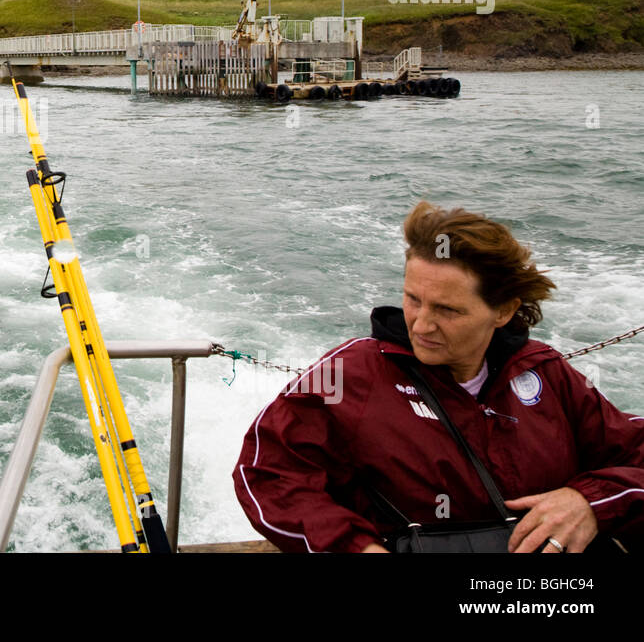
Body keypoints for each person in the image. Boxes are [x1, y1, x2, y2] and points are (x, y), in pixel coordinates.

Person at [233, 201, 644, 553]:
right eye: (413, 299)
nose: (422, 325)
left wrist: (589, 502)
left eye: (447, 310)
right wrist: (353, 546)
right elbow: (266, 473)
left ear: (503, 311)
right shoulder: (352, 373)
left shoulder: (545, 371)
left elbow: (635, 454)